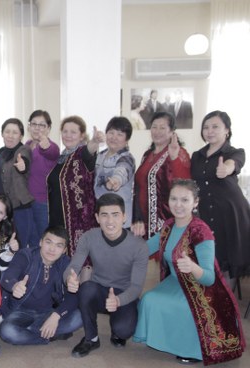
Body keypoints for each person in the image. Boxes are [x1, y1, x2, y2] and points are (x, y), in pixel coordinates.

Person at [133, 179, 245, 365]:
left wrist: (193, 267)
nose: (178, 205)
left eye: (184, 200)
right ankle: (168, 341)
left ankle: (192, 349)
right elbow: (144, 249)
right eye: (174, 199)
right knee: (149, 299)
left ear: (195, 202)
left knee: (182, 306)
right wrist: (123, 242)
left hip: (202, 288)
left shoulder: (201, 231)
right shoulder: (168, 225)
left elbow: (209, 278)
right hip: (176, 281)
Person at [64, 193, 148, 358]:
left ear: (124, 217)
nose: (110, 221)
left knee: (124, 331)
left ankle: (117, 330)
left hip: (124, 294)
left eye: (115, 215)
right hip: (99, 290)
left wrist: (118, 300)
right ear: (97, 218)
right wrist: (69, 279)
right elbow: (73, 267)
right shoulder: (88, 237)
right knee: (86, 289)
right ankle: (91, 338)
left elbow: (136, 287)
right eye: (104, 215)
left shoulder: (139, 246)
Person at [191, 111, 250, 285]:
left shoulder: (235, 152)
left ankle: (226, 300)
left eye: (215, 127)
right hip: (205, 214)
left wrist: (226, 168)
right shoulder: (197, 156)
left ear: (227, 130)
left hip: (230, 214)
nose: (209, 131)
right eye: (206, 127)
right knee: (208, 259)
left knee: (227, 260)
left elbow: (234, 163)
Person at [0, 226, 83, 345]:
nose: (52, 249)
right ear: (40, 242)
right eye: (48, 242)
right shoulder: (26, 255)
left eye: (58, 246)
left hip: (49, 312)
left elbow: (73, 297)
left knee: (80, 316)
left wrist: (56, 316)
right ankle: (47, 335)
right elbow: (7, 277)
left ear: (64, 250)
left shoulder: (65, 263)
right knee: (8, 331)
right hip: (20, 311)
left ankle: (31, 331)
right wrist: (14, 286)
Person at [46, 115, 104, 256]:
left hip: (79, 221)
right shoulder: (61, 158)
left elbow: (89, 151)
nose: (68, 135)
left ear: (82, 135)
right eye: (65, 131)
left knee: (80, 260)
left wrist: (95, 141)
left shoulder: (81, 154)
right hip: (58, 220)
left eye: (73, 132)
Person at [132, 111, 191, 239]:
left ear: (172, 132)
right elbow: (139, 187)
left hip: (166, 220)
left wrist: (174, 158)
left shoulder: (179, 153)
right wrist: (137, 217)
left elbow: (184, 184)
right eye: (154, 127)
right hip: (144, 222)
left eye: (162, 128)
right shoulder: (147, 154)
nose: (157, 131)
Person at [0, 118, 35, 248]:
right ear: (2, 134)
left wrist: (23, 165)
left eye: (15, 132)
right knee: (1, 248)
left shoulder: (23, 150)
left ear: (21, 136)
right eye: (7, 131)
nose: (10, 135)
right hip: (0, 211)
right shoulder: (0, 152)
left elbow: (24, 160)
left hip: (18, 209)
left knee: (20, 245)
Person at [94, 116, 136, 228]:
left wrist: (116, 180)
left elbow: (122, 171)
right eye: (111, 133)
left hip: (120, 220)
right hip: (102, 215)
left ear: (127, 139)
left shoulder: (127, 158)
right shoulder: (100, 155)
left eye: (120, 134)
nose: (114, 137)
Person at [25, 110, 59, 244]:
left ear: (48, 128)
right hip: (26, 202)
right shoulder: (27, 145)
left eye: (42, 125)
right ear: (29, 126)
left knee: (44, 240)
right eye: (34, 124)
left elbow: (52, 152)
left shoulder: (52, 146)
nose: (37, 128)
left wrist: (46, 147)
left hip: (42, 203)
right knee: (31, 240)